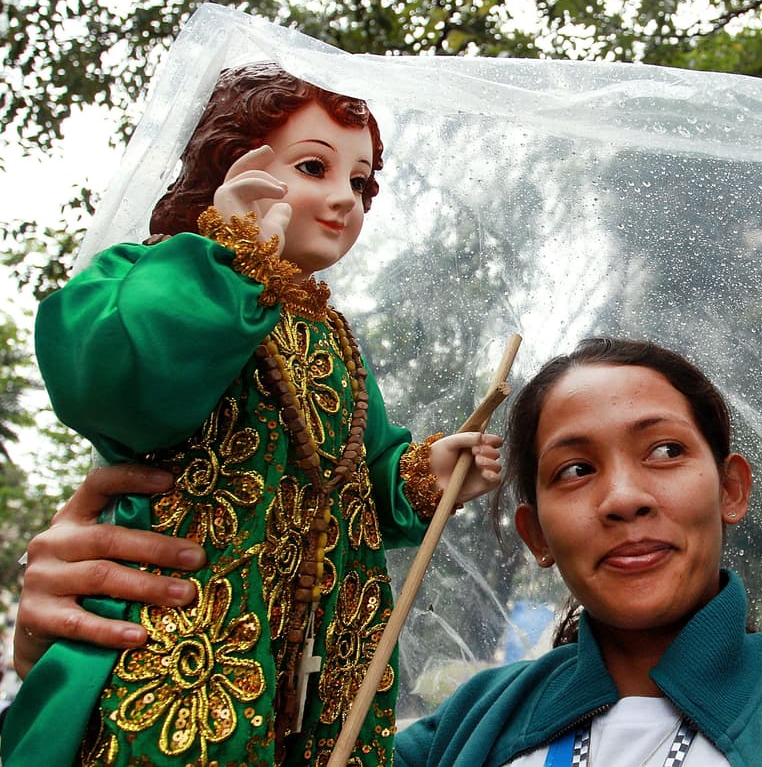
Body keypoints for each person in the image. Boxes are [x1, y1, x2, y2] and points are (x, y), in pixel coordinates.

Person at [7, 156, 762, 764]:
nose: (620, 494)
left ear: (731, 485)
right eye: (565, 470)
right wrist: (95, 660)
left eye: (662, 449)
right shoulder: (459, 733)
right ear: (531, 531)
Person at [3, 64, 503, 767]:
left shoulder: (333, 338)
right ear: (228, 163)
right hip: (189, 636)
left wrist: (422, 472)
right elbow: (120, 378)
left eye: (360, 182)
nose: (343, 199)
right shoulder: (154, 279)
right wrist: (224, 264)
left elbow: (359, 470)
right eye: (313, 167)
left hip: (326, 659)